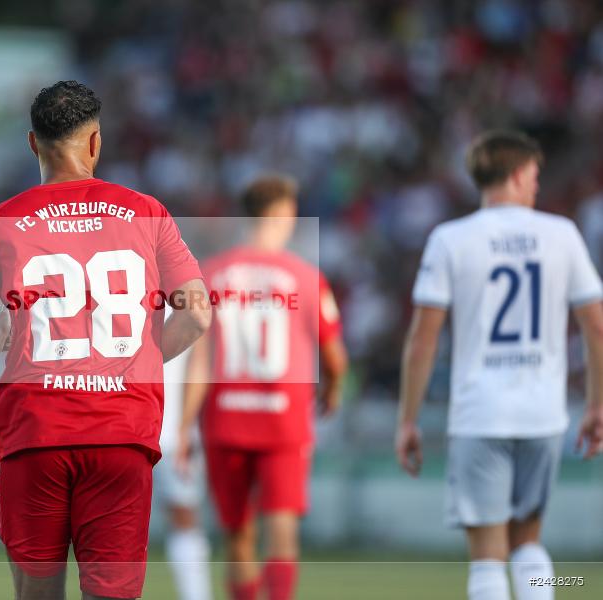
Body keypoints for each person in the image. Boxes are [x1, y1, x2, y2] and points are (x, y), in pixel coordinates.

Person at [0, 80, 211, 600]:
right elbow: (198, 314)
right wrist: (138, 359)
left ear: (31, 143)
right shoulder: (147, 212)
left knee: (37, 593)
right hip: (120, 431)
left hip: (35, 431)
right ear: (95, 143)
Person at [396, 130, 603, 600]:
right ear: (515, 174)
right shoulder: (561, 234)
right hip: (543, 414)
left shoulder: (450, 239)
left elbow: (423, 338)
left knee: (488, 557)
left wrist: (407, 418)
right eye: (534, 175)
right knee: (528, 543)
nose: (536, 186)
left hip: (480, 412)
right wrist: (596, 404)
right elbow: (596, 327)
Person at [177, 174, 348, 600]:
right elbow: (335, 356)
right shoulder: (306, 277)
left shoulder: (212, 274)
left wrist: (182, 427)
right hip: (283, 420)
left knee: (238, 537)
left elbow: (200, 359)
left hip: (225, 419)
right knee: (283, 531)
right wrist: (332, 388)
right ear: (285, 215)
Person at [156, 306, 212, 600]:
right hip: (165, 429)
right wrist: (186, 425)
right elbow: (200, 364)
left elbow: (199, 364)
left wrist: (186, 424)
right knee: (184, 517)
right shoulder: (185, 288)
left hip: (156, 429)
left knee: (184, 516)